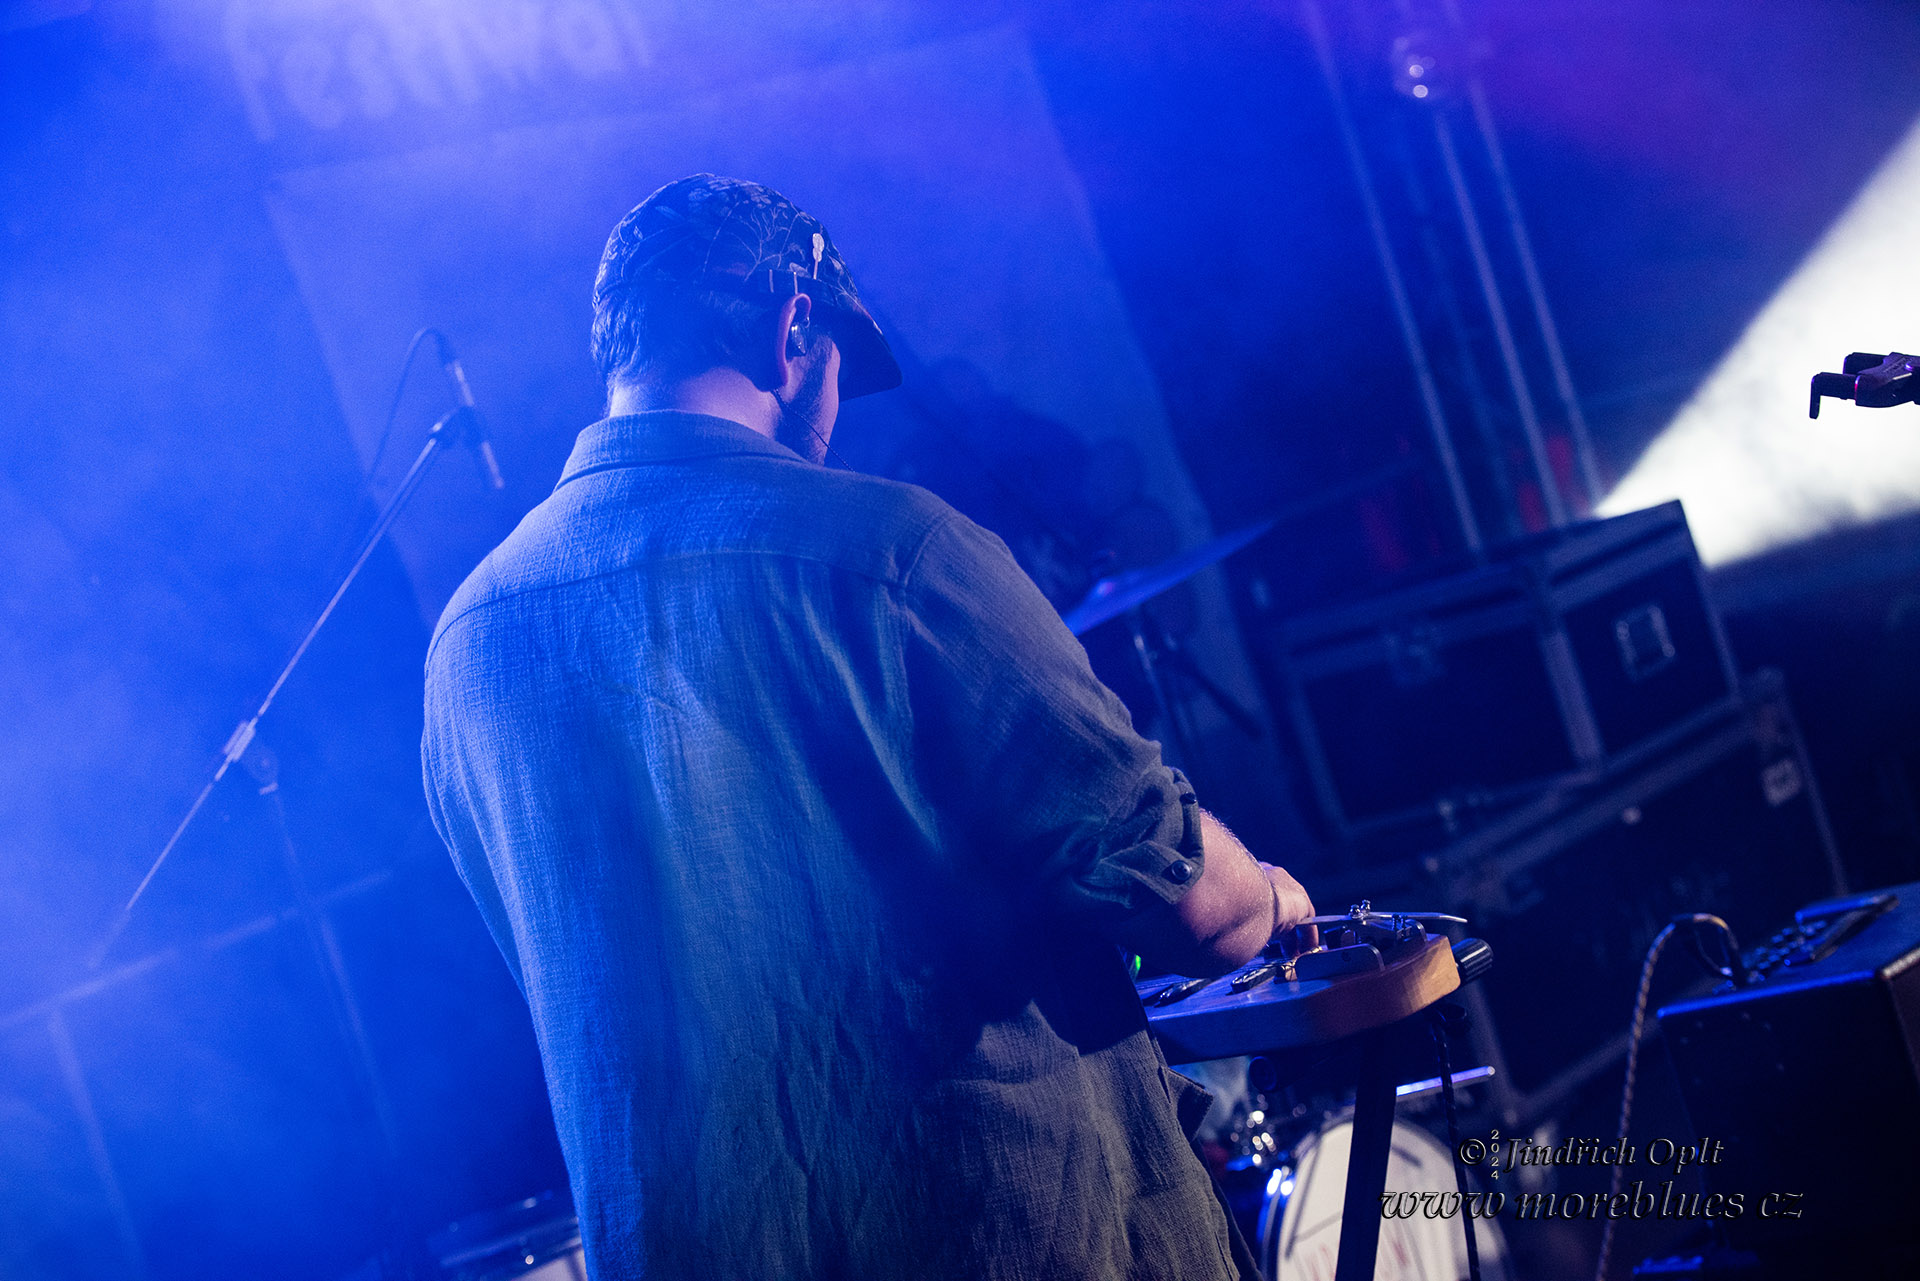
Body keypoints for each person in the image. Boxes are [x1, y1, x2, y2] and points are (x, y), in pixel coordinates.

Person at [421, 173, 1315, 1280]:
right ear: (797, 328)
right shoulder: (891, 555)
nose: (836, 410)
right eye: (840, 363)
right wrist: (1275, 896)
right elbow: (1182, 897)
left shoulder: (468, 649)